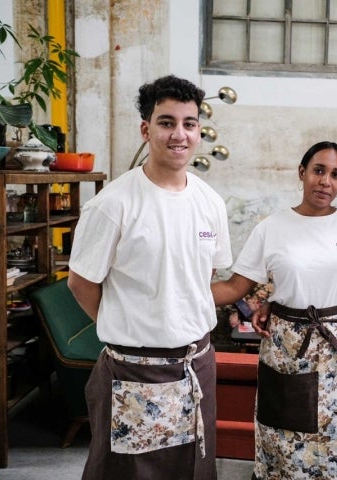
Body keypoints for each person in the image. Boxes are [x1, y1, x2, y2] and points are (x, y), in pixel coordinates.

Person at [67, 75, 232, 480]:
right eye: (166, 122)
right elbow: (81, 283)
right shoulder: (114, 204)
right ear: (146, 129)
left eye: (189, 123)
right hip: (134, 372)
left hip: (196, 365)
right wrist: (130, 324)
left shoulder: (210, 202)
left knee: (193, 470)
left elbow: (202, 276)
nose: (180, 134)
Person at [211, 141, 337, 480]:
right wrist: (175, 292)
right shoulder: (272, 227)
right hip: (287, 346)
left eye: (335, 175)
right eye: (318, 171)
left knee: (334, 444)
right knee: (284, 441)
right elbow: (235, 288)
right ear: (302, 173)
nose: (326, 182)